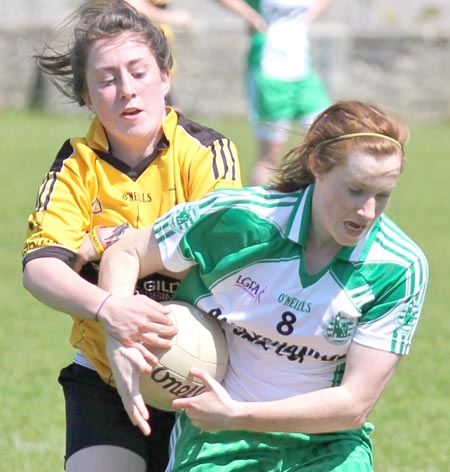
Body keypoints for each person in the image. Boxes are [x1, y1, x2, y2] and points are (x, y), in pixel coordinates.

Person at [96, 100, 428, 471]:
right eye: (355, 190)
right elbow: (126, 253)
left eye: (382, 195)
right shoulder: (238, 220)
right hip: (215, 442)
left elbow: (354, 405)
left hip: (328, 446)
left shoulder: (398, 266)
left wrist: (238, 414)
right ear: (317, 165)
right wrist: (118, 336)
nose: (367, 211)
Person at [22, 2, 241, 471]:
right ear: (85, 95)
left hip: (199, 373)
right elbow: (40, 269)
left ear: (165, 76)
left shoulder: (208, 152)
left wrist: (99, 243)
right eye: (106, 80)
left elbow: (216, 247)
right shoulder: (75, 165)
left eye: (139, 72)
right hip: (102, 374)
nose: (126, 91)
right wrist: (108, 308)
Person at [216, 0, 333, 185]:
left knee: (326, 138)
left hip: (303, 69)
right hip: (269, 71)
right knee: (271, 152)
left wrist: (311, 16)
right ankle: (259, 211)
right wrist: (251, 15)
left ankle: (311, 204)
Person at [124, 0, 193, 105]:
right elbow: (129, 5)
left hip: (154, 55)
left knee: (171, 115)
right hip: (131, 49)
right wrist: (172, 17)